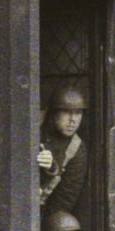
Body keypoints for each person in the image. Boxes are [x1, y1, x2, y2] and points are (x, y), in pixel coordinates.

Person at [37, 85, 90, 222]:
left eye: (78, 112)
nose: (73, 119)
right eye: (67, 112)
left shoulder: (76, 149)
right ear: (54, 113)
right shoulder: (34, 124)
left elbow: (65, 199)